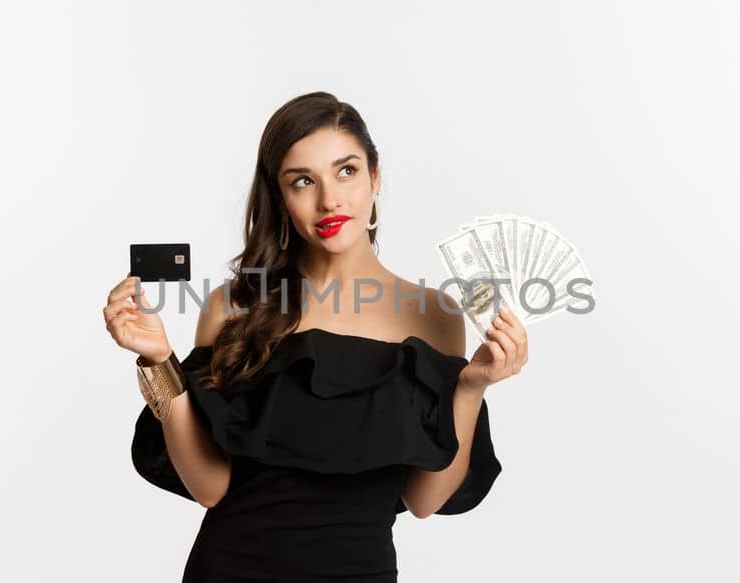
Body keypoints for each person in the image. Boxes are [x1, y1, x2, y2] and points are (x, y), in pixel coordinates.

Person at [102, 91, 529, 582]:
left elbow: (424, 498)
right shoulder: (235, 305)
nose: (329, 199)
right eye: (303, 181)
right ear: (280, 197)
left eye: (346, 171)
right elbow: (210, 487)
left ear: (375, 175)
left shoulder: (435, 315)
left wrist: (472, 387)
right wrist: (158, 359)